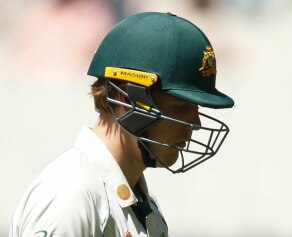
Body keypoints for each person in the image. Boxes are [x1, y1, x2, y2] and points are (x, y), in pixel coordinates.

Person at [10, 12, 234, 237]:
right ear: (127, 99)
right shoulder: (70, 195)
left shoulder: (144, 206)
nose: (195, 123)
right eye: (181, 106)